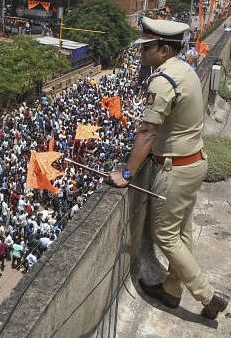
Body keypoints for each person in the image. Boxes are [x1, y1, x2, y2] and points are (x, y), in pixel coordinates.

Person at [107, 17, 228, 320]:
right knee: (181, 232)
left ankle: (207, 295)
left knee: (166, 235)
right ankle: (172, 291)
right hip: (193, 162)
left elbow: (147, 133)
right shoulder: (184, 69)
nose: (142, 53)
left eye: (147, 47)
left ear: (163, 49)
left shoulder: (163, 80)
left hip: (176, 168)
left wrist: (126, 173)